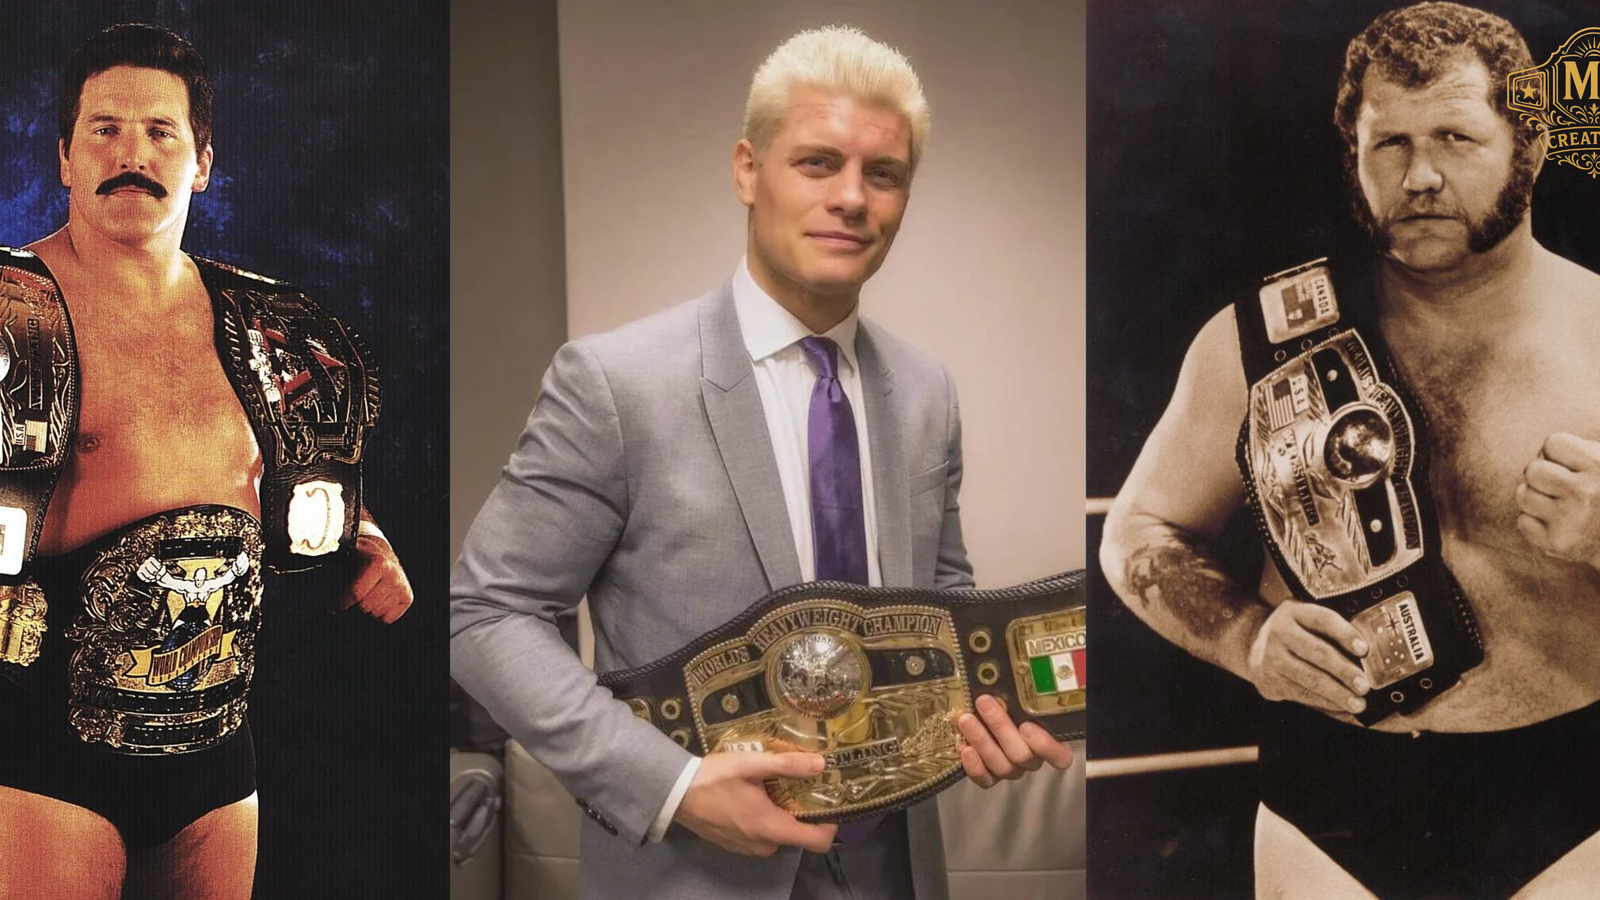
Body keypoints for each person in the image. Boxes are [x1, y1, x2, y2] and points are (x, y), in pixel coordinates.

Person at [452, 25, 1072, 900]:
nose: (853, 198)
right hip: (693, 875)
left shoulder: (928, 393)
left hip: (897, 869)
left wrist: (984, 715)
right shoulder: (615, 384)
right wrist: (673, 788)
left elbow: (942, 610)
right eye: (818, 163)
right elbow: (484, 612)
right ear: (748, 169)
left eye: (883, 174)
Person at [1101, 3, 1600, 898]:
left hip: (1568, 803)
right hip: (1328, 804)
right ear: (1354, 156)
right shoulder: (1256, 343)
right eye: (1389, 145)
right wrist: (1247, 641)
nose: (1420, 177)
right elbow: (1138, 528)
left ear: (1530, 146)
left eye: (1456, 137)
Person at [0, 24, 413, 900]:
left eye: (161, 132)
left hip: (218, 752)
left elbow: (290, 480)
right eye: (105, 130)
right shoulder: (7, 313)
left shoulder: (271, 329)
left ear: (203, 164)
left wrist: (365, 540)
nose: (132, 154)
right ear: (65, 159)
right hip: (38, 747)